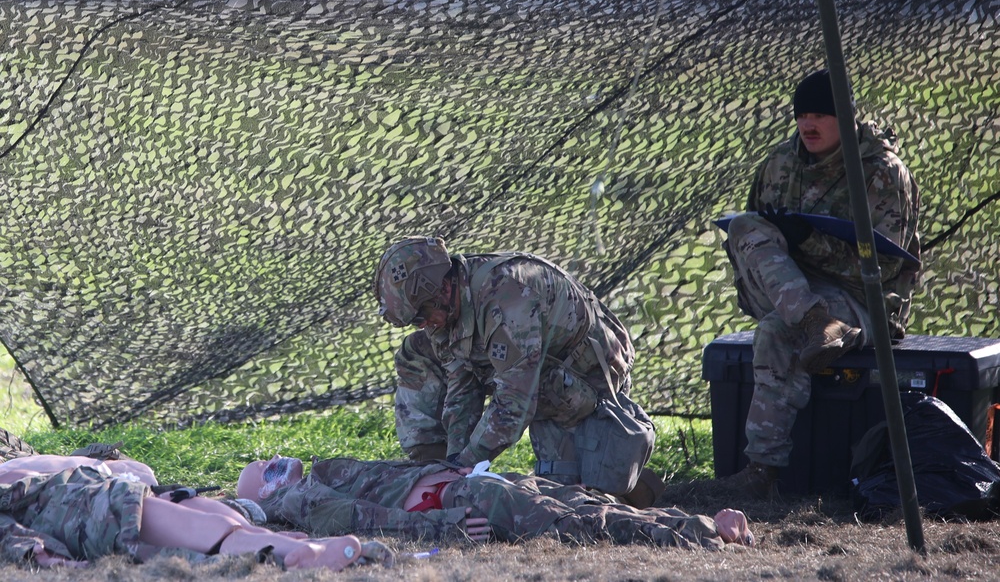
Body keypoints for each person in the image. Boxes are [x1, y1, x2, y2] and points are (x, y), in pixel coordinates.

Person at [718, 69, 921, 497]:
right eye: (802, 114)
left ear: (845, 119)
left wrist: (810, 240)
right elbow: (754, 237)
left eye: (820, 115)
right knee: (745, 227)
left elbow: (883, 268)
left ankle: (761, 473)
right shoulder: (780, 162)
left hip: (859, 299)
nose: (808, 124)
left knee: (775, 330)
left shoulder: (881, 172)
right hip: (792, 290)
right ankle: (812, 318)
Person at [374, 237, 664, 508]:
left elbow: (515, 401)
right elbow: (462, 386)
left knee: (572, 501)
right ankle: (610, 474)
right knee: (557, 492)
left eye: (421, 316)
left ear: (443, 290)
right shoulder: (447, 312)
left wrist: (472, 460)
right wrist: (454, 462)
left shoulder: (507, 298)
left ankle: (628, 480)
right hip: (542, 373)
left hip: (590, 375)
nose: (422, 325)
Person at [236, 455, 754, 549]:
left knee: (581, 504)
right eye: (263, 468)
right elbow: (364, 519)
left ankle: (698, 522)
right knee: (578, 524)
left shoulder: (319, 471)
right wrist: (445, 527)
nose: (273, 459)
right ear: (265, 491)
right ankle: (699, 532)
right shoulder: (298, 500)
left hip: (471, 481)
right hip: (463, 498)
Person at [0, 453, 369, 570]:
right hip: (87, 506)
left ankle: (270, 542)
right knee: (199, 527)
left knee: (186, 519)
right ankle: (293, 553)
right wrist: (41, 554)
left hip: (91, 501)